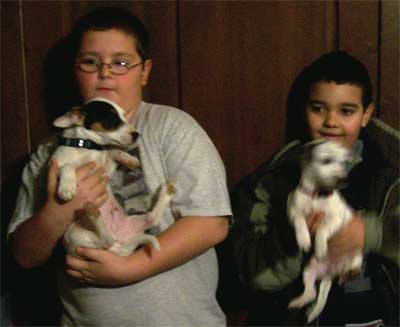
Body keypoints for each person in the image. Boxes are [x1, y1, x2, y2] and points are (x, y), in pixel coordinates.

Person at [8, 7, 231, 326]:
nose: (106, 73)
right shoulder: (49, 153)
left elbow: (212, 223)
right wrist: (59, 211)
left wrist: (131, 267)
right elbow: (25, 255)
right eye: (90, 62)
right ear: (75, 70)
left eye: (121, 62)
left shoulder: (172, 128)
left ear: (145, 71)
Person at [230, 51, 399, 326]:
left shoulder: (390, 178)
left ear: (366, 114)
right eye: (318, 108)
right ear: (304, 109)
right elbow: (252, 275)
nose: (331, 121)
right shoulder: (272, 181)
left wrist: (368, 232)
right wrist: (291, 237)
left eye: (346, 111)